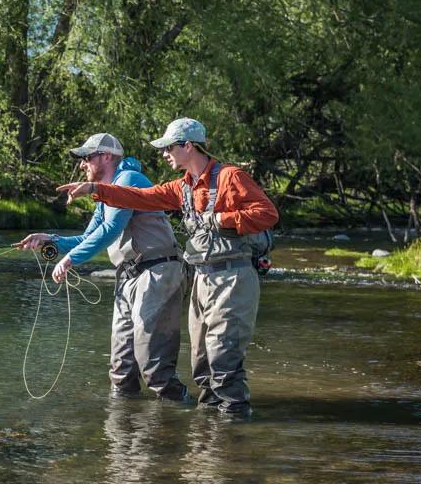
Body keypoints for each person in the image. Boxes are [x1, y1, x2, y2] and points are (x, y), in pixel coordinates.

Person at [59, 118, 278, 417]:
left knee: (222, 359)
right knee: (201, 364)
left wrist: (221, 220)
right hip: (201, 276)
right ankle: (208, 438)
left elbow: (267, 214)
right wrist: (95, 189)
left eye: (168, 147)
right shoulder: (182, 187)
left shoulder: (231, 177)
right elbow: (142, 198)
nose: (164, 154)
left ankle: (234, 436)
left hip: (233, 276)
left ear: (188, 146)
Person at [18, 133, 188, 401]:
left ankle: (176, 422)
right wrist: (50, 240)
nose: (82, 164)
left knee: (153, 365)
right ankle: (121, 433)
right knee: (121, 369)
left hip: (157, 272)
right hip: (130, 277)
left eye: (87, 157)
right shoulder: (105, 193)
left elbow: (111, 229)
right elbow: (88, 237)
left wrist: (70, 259)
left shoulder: (129, 181)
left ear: (106, 157)